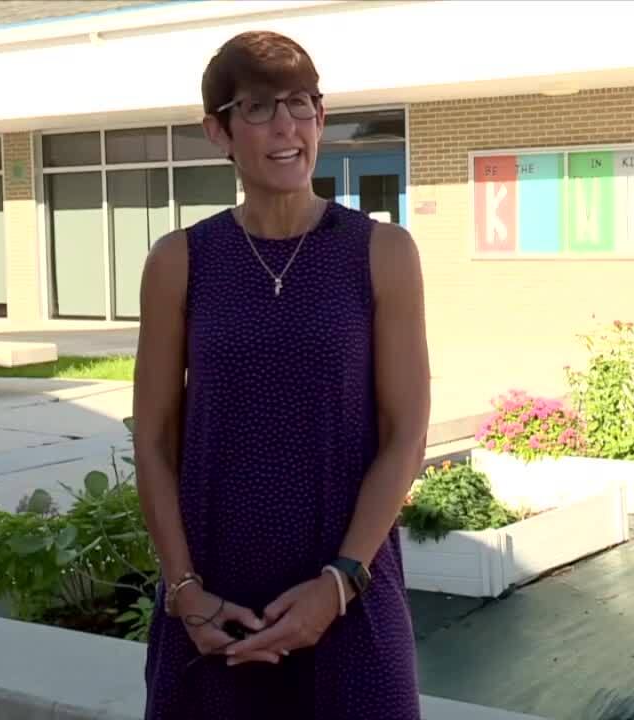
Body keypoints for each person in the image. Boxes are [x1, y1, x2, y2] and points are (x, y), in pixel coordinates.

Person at [132, 28, 431, 720]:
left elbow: (405, 433)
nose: (287, 126)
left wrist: (341, 580)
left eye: (302, 104)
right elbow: (153, 438)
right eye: (260, 108)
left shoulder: (381, 252)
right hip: (215, 607)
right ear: (219, 132)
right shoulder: (180, 260)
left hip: (349, 595)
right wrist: (184, 592)